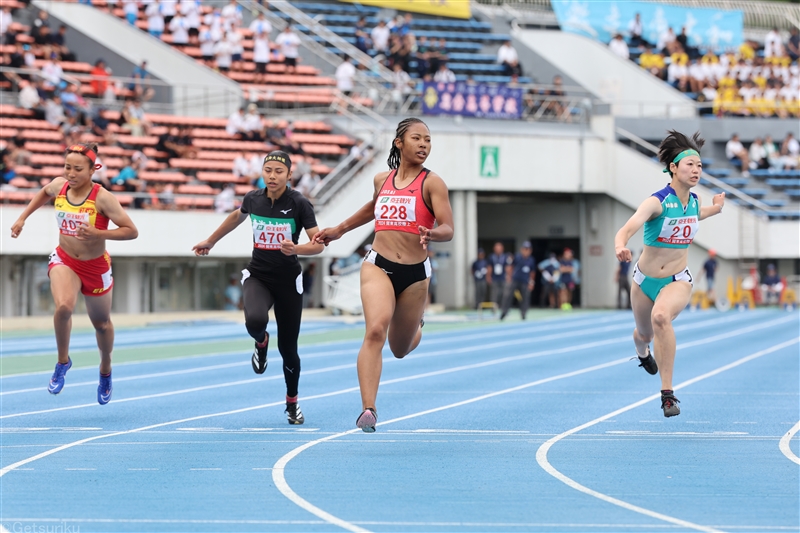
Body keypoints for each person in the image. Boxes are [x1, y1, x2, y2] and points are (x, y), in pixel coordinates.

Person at [312, 118, 454, 433]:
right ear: (399, 143)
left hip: (416, 274)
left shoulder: (432, 183)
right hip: (378, 264)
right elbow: (372, 208)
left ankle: (416, 324)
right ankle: (368, 409)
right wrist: (338, 230)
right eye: (417, 138)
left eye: (428, 141)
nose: (423, 145)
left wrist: (432, 232)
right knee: (375, 330)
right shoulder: (381, 179)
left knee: (399, 349)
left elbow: (448, 228)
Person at [193, 151, 324, 425]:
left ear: (289, 175)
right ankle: (261, 342)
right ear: (262, 173)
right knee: (254, 321)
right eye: (268, 171)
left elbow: (318, 243)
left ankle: (292, 402)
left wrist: (297, 248)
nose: (272, 176)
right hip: (259, 276)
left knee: (289, 349)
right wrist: (211, 240)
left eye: (278, 171)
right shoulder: (253, 198)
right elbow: (236, 217)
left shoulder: (300, 203)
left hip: (288, 282)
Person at [10, 144, 138, 404]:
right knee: (64, 308)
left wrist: (99, 233)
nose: (70, 173)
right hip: (65, 259)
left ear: (93, 169)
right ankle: (62, 362)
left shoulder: (102, 198)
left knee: (101, 324)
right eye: (67, 167)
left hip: (95, 266)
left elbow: (131, 230)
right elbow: (44, 192)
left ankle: (105, 369)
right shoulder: (59, 186)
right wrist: (23, 217)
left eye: (78, 169)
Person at [614, 130, 725, 417]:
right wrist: (619, 245)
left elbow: (700, 213)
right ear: (673, 168)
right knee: (643, 334)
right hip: (643, 281)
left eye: (700, 166)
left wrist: (718, 207)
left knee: (661, 316)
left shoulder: (695, 202)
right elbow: (628, 227)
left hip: (677, 280)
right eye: (690, 165)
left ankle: (667, 395)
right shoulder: (657, 202)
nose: (696, 170)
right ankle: (642, 354)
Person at [500, 241, 535, 320]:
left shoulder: (531, 260)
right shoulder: (517, 257)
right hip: (515, 280)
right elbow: (511, 267)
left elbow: (532, 272)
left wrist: (531, 282)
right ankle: (504, 312)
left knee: (525, 297)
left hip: (525, 281)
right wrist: (509, 276)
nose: (526, 251)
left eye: (528, 249)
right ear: (522, 249)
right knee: (508, 296)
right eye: (525, 249)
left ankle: (523, 313)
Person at [488, 241, 510, 308]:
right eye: (496, 248)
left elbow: (508, 267)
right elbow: (489, 267)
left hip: (503, 277)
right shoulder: (491, 257)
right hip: (494, 278)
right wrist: (488, 276)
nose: (498, 249)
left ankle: (503, 307)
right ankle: (494, 308)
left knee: (504, 293)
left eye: (499, 248)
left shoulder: (505, 257)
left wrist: (508, 276)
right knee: (494, 294)